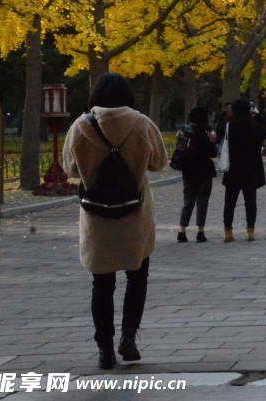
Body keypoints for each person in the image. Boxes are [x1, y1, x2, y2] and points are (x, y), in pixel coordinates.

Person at [62, 72, 167, 370]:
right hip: (136, 213)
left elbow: (69, 168)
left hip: (98, 216)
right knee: (137, 276)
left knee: (102, 284)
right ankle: (129, 338)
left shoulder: (81, 126)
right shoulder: (142, 123)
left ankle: (104, 348)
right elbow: (159, 163)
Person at [222, 98, 266, 243]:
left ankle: (228, 231)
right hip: (250, 168)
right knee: (250, 201)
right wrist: (258, 115)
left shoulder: (229, 125)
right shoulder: (254, 126)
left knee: (230, 202)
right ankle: (250, 230)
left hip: (233, 169)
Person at [176, 107, 219, 243]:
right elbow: (213, 153)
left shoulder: (184, 132)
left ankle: (182, 231)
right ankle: (200, 232)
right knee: (202, 201)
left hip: (188, 169)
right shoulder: (205, 132)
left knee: (188, 200)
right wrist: (212, 139)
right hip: (204, 170)